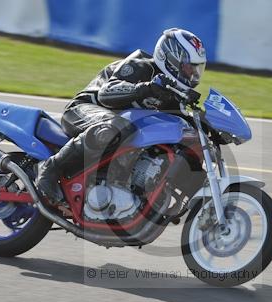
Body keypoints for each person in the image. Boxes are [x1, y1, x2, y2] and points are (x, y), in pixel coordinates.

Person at [35, 28, 207, 203]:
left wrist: (209, 126)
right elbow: (106, 93)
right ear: (171, 59)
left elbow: (182, 122)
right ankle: (50, 167)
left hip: (116, 126)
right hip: (83, 110)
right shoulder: (141, 65)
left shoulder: (172, 91)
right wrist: (146, 88)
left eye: (196, 69)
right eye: (188, 67)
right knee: (115, 127)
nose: (192, 74)